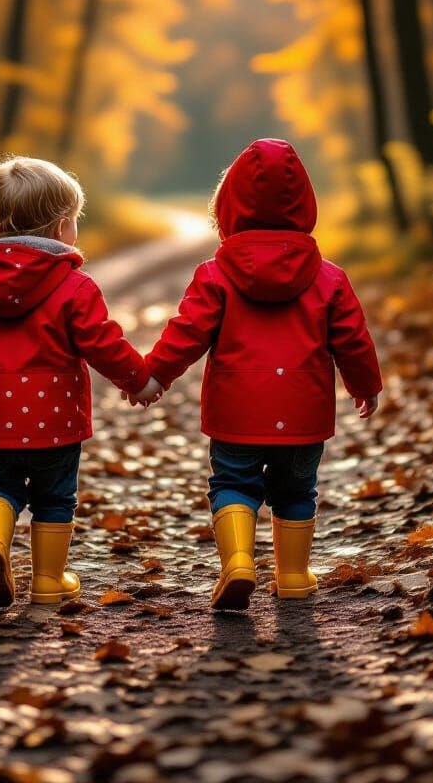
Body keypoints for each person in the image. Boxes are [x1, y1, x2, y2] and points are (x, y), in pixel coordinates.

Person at [140, 139, 381, 610]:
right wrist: (365, 385)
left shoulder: (215, 274)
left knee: (233, 483)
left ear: (227, 206)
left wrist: (153, 376)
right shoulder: (329, 277)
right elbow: (353, 339)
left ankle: (239, 563)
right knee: (296, 489)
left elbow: (186, 334)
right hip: (303, 410)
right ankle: (292, 575)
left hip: (237, 410)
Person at [0, 156, 160, 607]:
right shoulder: (75, 286)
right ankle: (48, 582)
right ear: (59, 229)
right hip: (56, 419)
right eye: (74, 220)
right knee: (55, 498)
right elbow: (102, 342)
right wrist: (138, 380)